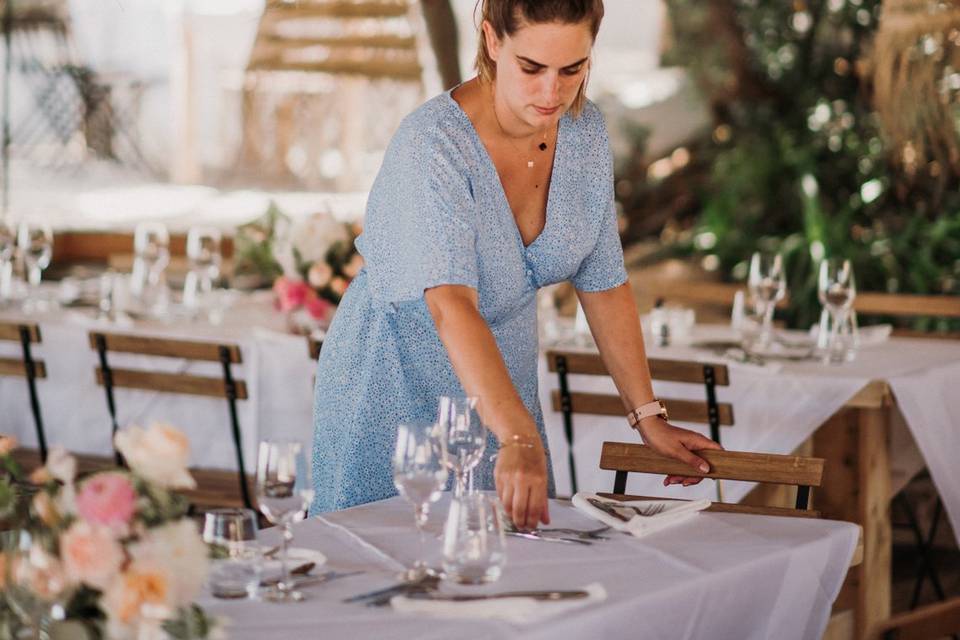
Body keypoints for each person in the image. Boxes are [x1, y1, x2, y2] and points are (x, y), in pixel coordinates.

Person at [310, 0, 721, 530]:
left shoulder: (584, 131)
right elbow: (451, 306)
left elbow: (603, 281)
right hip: (392, 379)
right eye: (532, 68)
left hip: (501, 384)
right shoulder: (432, 144)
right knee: (390, 567)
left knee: (505, 563)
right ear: (492, 41)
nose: (552, 93)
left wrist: (648, 417)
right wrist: (518, 436)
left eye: (572, 69)